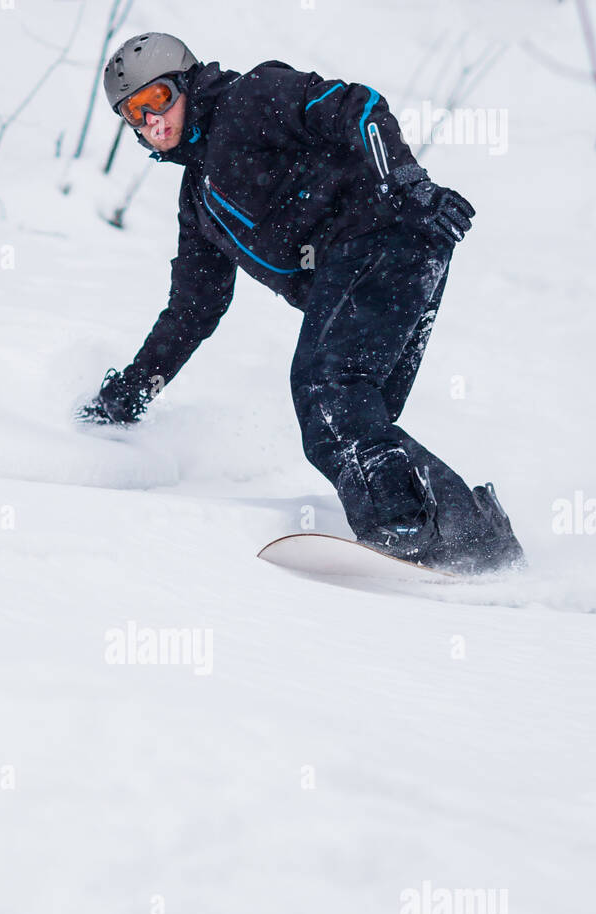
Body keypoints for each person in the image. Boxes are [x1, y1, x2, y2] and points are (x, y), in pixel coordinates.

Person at [77, 33, 524, 574]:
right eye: (134, 112)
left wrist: (410, 183)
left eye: (158, 99)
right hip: (389, 262)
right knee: (352, 413)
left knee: (326, 391)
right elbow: (193, 308)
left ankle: (413, 533)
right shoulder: (198, 203)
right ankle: (474, 539)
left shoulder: (251, 99)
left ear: (187, 81)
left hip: (388, 231)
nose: (151, 121)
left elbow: (359, 107)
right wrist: (135, 388)